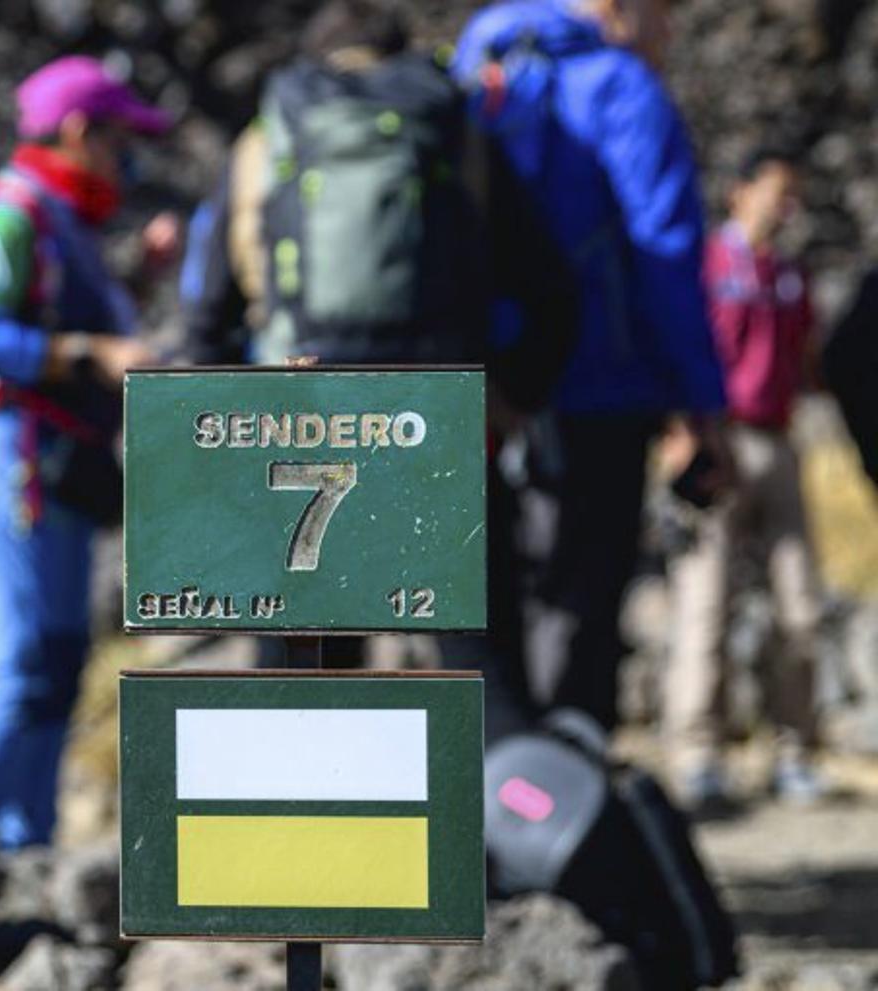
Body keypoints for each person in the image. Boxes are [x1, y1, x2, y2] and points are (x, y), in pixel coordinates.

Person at [179, 0, 579, 707]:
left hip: (298, 422)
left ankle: (302, 774)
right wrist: (509, 396)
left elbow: (208, 313)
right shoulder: (453, 127)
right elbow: (552, 292)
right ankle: (503, 771)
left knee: (301, 668)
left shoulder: (268, 139)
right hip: (438, 416)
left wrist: (225, 435)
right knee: (477, 662)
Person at [452, 0, 731, 732]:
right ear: (617, 7)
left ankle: (499, 774)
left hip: (478, 391)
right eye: (661, 11)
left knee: (495, 599)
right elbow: (665, 250)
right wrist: (699, 402)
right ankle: (568, 776)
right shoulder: (622, 87)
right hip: (600, 387)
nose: (669, 29)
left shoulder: (470, 73)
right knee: (583, 602)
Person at [0, 56, 165, 848]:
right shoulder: (7, 217)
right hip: (9, 459)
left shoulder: (67, 225)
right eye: (120, 138)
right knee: (22, 657)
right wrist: (87, 353)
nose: (129, 157)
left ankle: (22, 846)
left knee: (61, 659)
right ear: (77, 131)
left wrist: (142, 279)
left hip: (59, 467)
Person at [663, 147, 826, 807]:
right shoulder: (708, 265)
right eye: (777, 192)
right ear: (741, 192)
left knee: (800, 603)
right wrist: (686, 436)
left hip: (777, 440)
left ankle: (796, 749)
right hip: (715, 438)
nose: (786, 208)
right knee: (705, 603)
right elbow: (679, 346)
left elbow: (807, 358)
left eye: (793, 196)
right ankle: (696, 754)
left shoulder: (788, 276)